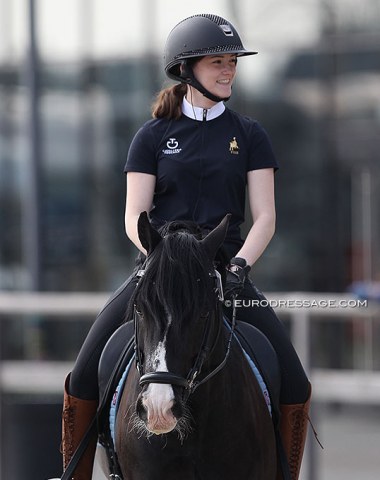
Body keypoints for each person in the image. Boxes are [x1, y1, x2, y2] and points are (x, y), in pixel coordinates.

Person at [60, 14, 311, 480]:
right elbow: (134, 217)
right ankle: (75, 473)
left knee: (295, 380)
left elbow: (266, 217)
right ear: (186, 68)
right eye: (218, 62)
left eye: (232, 62)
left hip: (224, 274)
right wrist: (156, 257)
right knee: (82, 372)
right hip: (158, 275)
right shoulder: (150, 137)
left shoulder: (250, 135)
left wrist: (238, 265)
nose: (228, 71)